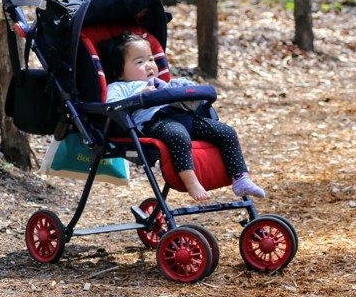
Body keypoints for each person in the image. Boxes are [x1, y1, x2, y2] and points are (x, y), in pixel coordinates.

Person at [101, 33, 265, 202]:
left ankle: (240, 178)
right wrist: (138, 96)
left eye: (151, 59)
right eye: (140, 62)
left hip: (184, 117)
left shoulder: (162, 83)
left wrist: (183, 89)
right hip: (155, 122)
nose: (149, 66)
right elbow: (112, 105)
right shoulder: (120, 87)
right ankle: (191, 182)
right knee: (178, 135)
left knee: (226, 132)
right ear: (119, 72)